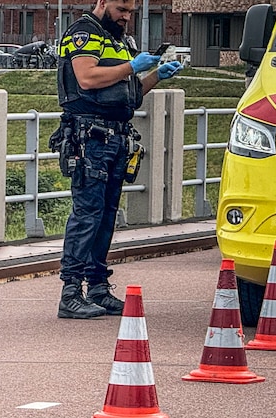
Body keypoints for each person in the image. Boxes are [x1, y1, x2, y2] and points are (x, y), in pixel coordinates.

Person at [53, 0, 182, 318]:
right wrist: (131, 67)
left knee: (107, 215)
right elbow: (87, 78)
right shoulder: (84, 32)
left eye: (131, 12)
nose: (127, 17)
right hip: (90, 138)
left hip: (115, 137)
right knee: (88, 214)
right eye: (122, 9)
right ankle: (71, 292)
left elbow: (128, 92)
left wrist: (154, 77)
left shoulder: (118, 40)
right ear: (101, 2)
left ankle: (97, 287)